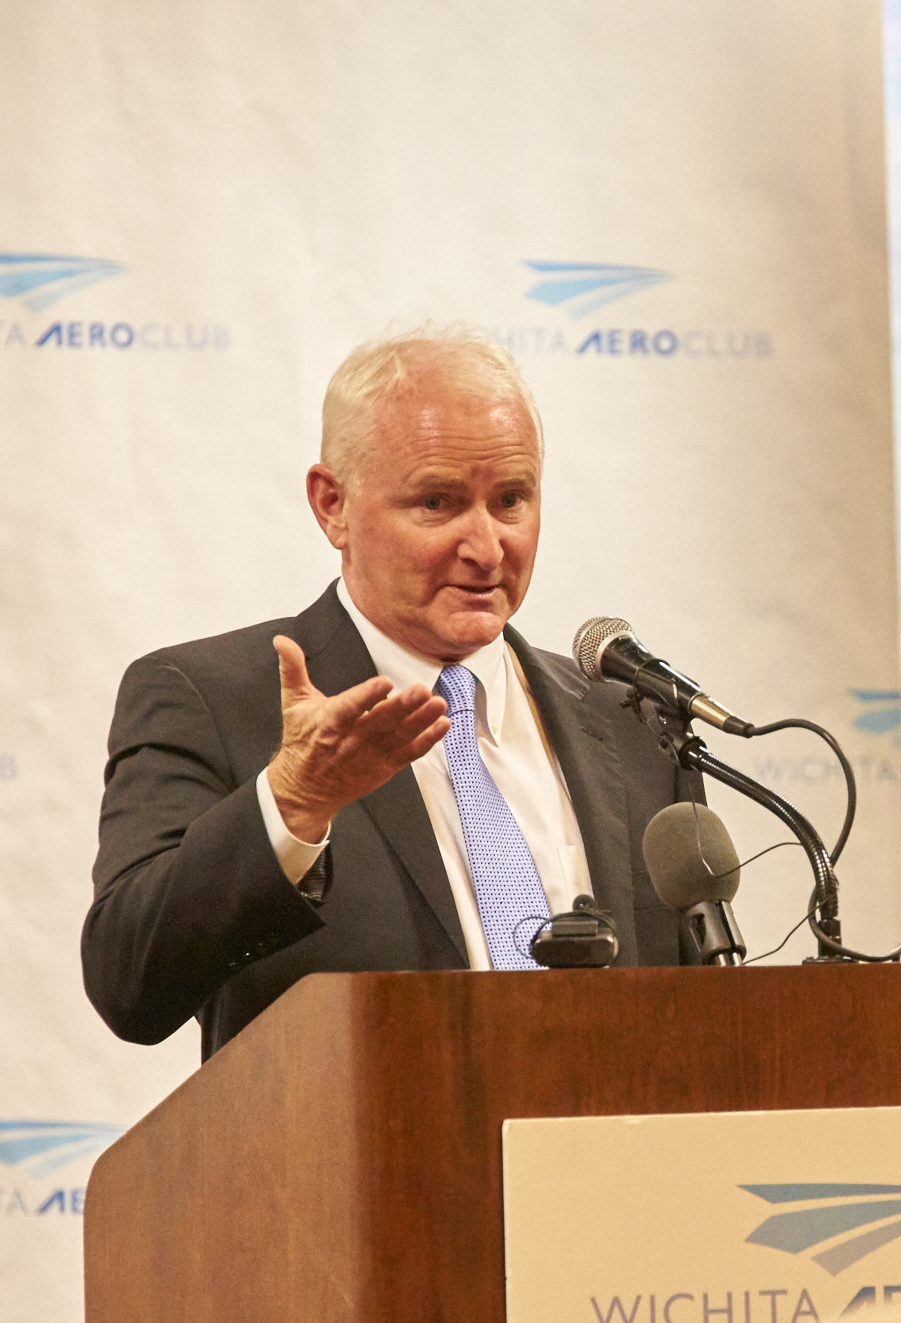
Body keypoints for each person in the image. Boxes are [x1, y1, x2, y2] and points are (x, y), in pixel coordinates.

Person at [83, 323, 701, 1059]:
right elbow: (129, 983)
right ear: (332, 505)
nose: (485, 546)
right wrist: (291, 805)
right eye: (436, 503)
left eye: (511, 500)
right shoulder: (212, 700)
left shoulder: (636, 722)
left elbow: (693, 1014)